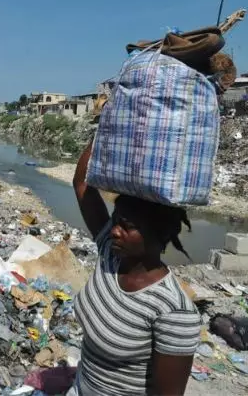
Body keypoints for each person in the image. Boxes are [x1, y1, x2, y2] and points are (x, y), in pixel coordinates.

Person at [68, 141, 200, 396]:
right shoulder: (110, 254)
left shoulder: (173, 311)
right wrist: (105, 128)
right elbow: (82, 183)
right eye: (116, 220)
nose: (115, 231)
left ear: (158, 234)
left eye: (127, 227)